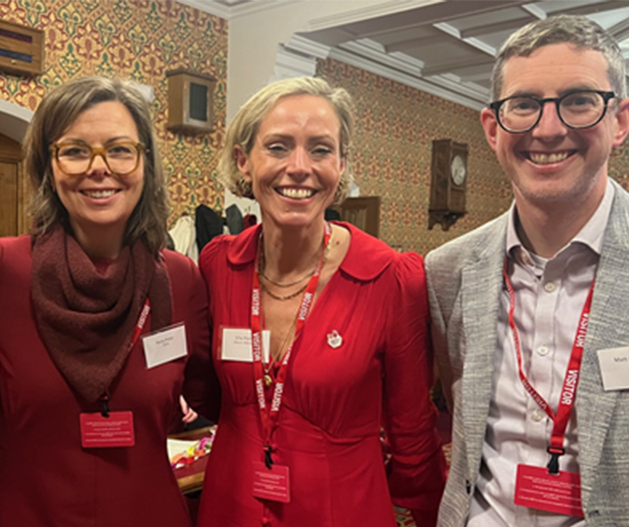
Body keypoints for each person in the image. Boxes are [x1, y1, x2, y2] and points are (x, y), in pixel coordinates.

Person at [197, 76, 446, 527]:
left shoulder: (391, 278)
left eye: (320, 149)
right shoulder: (218, 266)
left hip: (342, 509)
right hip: (229, 504)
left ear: (341, 165)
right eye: (277, 147)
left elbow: (412, 434)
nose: (299, 167)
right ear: (244, 162)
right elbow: (207, 393)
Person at [0, 76, 218, 527]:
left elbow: (222, 400)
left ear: (146, 164)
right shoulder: (0, 272)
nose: (98, 168)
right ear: (48, 166)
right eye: (75, 150)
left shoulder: (181, 280)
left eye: (121, 149)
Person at [427, 15, 629, 527]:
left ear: (620, 121)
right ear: (494, 129)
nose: (548, 128)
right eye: (524, 104)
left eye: (579, 101)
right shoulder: (447, 271)